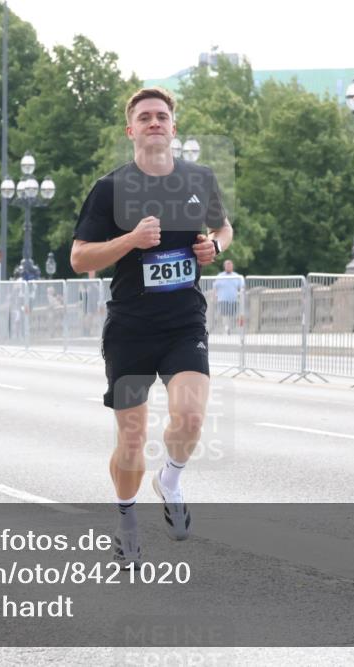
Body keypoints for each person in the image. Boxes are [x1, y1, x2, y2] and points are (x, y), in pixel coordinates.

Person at [70, 87, 233, 569]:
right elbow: (80, 258)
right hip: (130, 328)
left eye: (163, 116)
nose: (155, 122)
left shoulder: (199, 179)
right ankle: (126, 523)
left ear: (174, 127)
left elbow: (222, 228)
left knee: (190, 417)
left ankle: (172, 481)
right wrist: (130, 240)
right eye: (145, 117)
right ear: (131, 130)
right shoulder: (110, 188)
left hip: (184, 320)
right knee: (133, 438)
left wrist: (214, 248)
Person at [212, 259, 244, 335]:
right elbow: (215, 287)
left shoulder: (237, 276)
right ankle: (226, 328)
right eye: (227, 265)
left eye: (230, 265)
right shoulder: (220, 276)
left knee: (232, 315)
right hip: (222, 299)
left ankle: (230, 328)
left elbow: (242, 288)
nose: (228, 266)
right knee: (224, 314)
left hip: (233, 299)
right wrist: (214, 297)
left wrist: (241, 296)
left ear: (232, 266)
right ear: (224, 266)